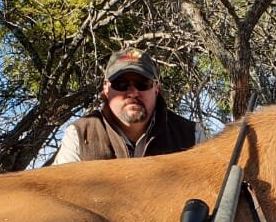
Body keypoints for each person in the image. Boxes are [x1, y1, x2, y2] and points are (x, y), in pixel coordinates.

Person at [52, 48, 202, 165]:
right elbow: (58, 196)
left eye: (142, 84)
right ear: (106, 89)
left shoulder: (192, 136)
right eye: (121, 84)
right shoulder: (79, 135)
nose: (132, 93)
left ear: (157, 88)